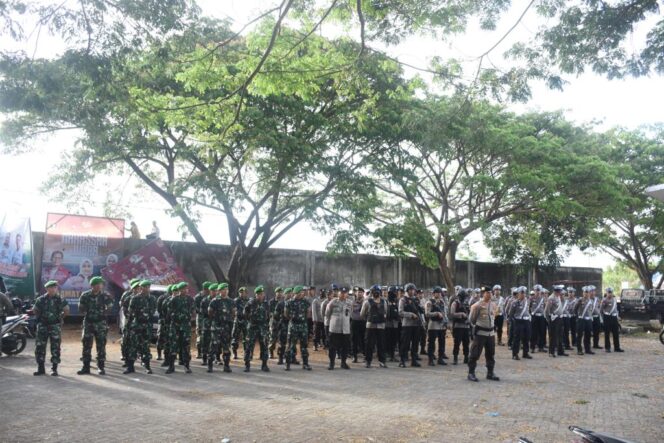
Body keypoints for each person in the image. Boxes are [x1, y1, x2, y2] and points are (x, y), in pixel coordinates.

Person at [77, 276, 114, 375]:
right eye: (97, 284)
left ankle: (101, 367)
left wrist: (102, 313)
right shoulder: (85, 295)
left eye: (101, 284)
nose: (99, 286)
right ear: (92, 285)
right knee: (86, 345)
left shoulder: (105, 295)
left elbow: (110, 307)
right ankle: (86, 367)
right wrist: (86, 310)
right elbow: (80, 308)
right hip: (89, 323)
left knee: (101, 345)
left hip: (101, 323)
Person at [32, 280, 69, 376]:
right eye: (51, 287)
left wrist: (60, 318)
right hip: (42, 326)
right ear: (47, 289)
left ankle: (54, 369)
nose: (53, 289)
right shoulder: (41, 299)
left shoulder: (60, 299)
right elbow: (35, 310)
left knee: (55, 347)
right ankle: (41, 368)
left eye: (55, 287)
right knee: (40, 347)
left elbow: (66, 310)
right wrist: (40, 318)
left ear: (56, 288)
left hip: (54, 326)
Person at [467, 286, 500, 382]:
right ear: (483, 294)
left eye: (490, 292)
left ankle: (490, 373)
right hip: (481, 333)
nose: (489, 294)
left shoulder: (493, 305)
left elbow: (495, 316)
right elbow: (471, 320)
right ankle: (471, 373)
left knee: (490, 354)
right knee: (475, 354)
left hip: (491, 333)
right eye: (487, 292)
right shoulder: (477, 305)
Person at [125, 280, 156, 374]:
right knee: (133, 346)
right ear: (141, 288)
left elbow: (153, 310)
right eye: (145, 287)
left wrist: (145, 315)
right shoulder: (135, 298)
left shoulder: (152, 299)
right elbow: (130, 312)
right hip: (136, 324)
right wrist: (129, 325)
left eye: (148, 287)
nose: (147, 289)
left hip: (146, 325)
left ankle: (147, 366)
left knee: (145, 346)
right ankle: (130, 367)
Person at [165, 281, 194, 374]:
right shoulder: (174, 300)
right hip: (175, 327)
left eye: (186, 288)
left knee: (186, 347)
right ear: (180, 290)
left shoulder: (190, 299)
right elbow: (168, 314)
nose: (186, 290)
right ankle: (171, 366)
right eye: (184, 289)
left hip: (185, 327)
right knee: (173, 347)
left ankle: (186, 366)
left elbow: (193, 311)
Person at [207, 283, 235, 373]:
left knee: (226, 346)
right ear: (219, 291)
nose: (225, 291)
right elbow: (210, 312)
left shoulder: (231, 301)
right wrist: (216, 320)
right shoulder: (215, 301)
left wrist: (228, 320)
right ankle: (210, 365)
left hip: (226, 327)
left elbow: (233, 312)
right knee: (214, 346)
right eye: (223, 289)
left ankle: (226, 365)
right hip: (216, 327)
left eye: (226, 289)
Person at [242, 285, 270, 372]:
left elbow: (268, 315)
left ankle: (264, 365)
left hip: (262, 327)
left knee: (264, 346)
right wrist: (250, 320)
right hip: (252, 327)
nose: (261, 296)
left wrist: (265, 324)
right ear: (256, 295)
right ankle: (247, 365)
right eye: (259, 294)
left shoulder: (266, 303)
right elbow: (245, 313)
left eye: (262, 294)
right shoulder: (251, 303)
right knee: (249, 346)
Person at [284, 285, 311, 370]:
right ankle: (287, 364)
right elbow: (286, 314)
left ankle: (305, 364)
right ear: (296, 293)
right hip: (293, 325)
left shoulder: (305, 302)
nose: (302, 293)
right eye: (301, 292)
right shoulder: (289, 302)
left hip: (303, 325)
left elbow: (308, 313)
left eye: (302, 292)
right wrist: (293, 319)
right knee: (290, 345)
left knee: (304, 345)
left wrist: (303, 319)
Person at [361, 284, 388, 368]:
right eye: (374, 292)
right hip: (370, 326)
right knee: (369, 344)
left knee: (381, 344)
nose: (376, 293)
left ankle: (382, 361)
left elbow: (386, 313)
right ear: (371, 292)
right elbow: (362, 314)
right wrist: (369, 319)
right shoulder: (367, 302)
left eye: (377, 292)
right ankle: (368, 361)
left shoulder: (384, 302)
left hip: (381, 326)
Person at [325, 286, 351, 370]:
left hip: (345, 329)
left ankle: (343, 363)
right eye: (341, 293)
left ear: (347, 294)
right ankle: (331, 363)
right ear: (338, 293)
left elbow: (350, 314)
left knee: (345, 347)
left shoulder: (349, 303)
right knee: (332, 347)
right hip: (334, 328)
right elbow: (327, 313)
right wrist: (329, 324)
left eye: (345, 293)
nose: (343, 295)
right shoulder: (333, 302)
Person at [398, 283, 421, 368]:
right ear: (407, 291)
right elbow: (400, 312)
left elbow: (420, 310)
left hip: (416, 324)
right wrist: (410, 314)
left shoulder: (416, 300)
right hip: (407, 325)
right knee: (405, 344)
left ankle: (414, 360)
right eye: (410, 290)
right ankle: (402, 360)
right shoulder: (403, 300)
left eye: (413, 290)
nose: (412, 291)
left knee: (415, 343)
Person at [507, 286, 532, 360]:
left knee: (527, 337)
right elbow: (511, 313)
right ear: (518, 294)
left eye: (524, 293)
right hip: (518, 321)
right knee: (517, 338)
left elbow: (529, 309)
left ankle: (525, 353)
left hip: (526, 321)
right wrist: (512, 322)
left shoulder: (528, 301)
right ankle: (515, 354)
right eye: (521, 293)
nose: (523, 294)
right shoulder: (515, 302)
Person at [544, 285, 568, 358]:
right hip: (554, 319)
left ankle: (560, 351)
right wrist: (549, 319)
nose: (560, 292)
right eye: (559, 291)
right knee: (553, 336)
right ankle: (551, 352)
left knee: (560, 336)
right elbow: (546, 311)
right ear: (556, 291)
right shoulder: (551, 298)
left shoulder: (558, 297)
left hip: (560, 318)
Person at [425, 286, 447, 366]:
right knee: (431, 343)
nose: (439, 294)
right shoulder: (429, 302)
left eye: (440, 293)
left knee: (442, 342)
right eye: (437, 293)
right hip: (433, 325)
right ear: (434, 294)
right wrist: (437, 313)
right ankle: (430, 359)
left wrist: (445, 321)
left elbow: (444, 313)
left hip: (441, 325)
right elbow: (427, 314)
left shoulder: (442, 302)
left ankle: (440, 358)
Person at [120, 278, 140, 364]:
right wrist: (128, 316)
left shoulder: (140, 295)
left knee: (138, 337)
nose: (138, 288)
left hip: (137, 320)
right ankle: (124, 354)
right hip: (127, 319)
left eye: (138, 286)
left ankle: (137, 354)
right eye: (135, 286)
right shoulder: (127, 295)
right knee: (126, 337)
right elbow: (122, 305)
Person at [450, 289, 471, 365]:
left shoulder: (466, 304)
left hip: (466, 326)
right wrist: (461, 314)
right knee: (457, 343)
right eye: (464, 296)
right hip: (458, 326)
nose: (465, 298)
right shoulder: (455, 303)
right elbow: (452, 314)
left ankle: (466, 357)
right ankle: (455, 358)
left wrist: (468, 318)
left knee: (466, 343)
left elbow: (470, 313)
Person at [601, 287, 623, 353]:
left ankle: (617, 347)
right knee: (607, 333)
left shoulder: (615, 299)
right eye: (608, 293)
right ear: (606, 293)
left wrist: (618, 316)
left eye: (611, 293)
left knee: (616, 333)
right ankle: (607, 347)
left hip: (614, 317)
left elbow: (616, 309)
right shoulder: (604, 300)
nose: (610, 294)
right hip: (607, 317)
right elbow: (601, 310)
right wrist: (602, 318)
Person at [574, 286, 595, 356]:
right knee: (579, 335)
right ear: (583, 293)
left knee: (588, 335)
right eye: (585, 292)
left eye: (588, 292)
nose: (586, 294)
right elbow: (575, 309)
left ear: (589, 293)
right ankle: (579, 350)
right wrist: (577, 317)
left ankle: (587, 349)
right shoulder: (580, 300)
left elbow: (591, 310)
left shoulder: (591, 301)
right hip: (581, 319)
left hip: (588, 320)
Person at [194, 282, 211, 359]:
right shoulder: (198, 297)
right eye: (208, 289)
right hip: (200, 318)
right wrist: (203, 311)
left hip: (209, 318)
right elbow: (195, 308)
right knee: (200, 335)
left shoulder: (211, 297)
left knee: (209, 335)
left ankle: (207, 352)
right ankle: (199, 352)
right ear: (205, 289)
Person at [231, 287, 250, 360]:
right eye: (241, 292)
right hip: (237, 321)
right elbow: (233, 310)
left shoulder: (249, 301)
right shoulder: (236, 301)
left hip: (246, 321)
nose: (242, 294)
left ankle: (246, 353)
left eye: (244, 292)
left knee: (247, 338)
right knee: (235, 337)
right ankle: (234, 352)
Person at [155, 284, 173, 362]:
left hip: (166, 321)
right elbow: (159, 310)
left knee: (163, 338)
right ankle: (160, 355)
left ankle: (163, 355)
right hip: (164, 321)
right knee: (162, 338)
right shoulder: (162, 298)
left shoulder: (173, 298)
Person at [529, 284, 547, 353]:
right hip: (534, 316)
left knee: (542, 332)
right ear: (534, 290)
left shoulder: (543, 299)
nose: (537, 292)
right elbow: (528, 307)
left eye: (539, 290)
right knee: (533, 332)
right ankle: (532, 347)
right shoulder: (531, 298)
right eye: (536, 290)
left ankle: (541, 347)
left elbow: (545, 307)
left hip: (541, 317)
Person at [385, 286, 400, 362]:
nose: (394, 294)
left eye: (395, 292)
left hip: (395, 324)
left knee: (394, 340)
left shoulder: (397, 301)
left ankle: (392, 355)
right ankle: (388, 354)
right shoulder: (385, 301)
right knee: (387, 340)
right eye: (392, 292)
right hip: (387, 324)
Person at [350, 287, 365, 363]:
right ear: (355, 293)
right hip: (354, 322)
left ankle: (365, 355)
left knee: (364, 339)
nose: (359, 293)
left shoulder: (366, 301)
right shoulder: (352, 302)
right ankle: (354, 356)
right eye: (358, 292)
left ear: (363, 293)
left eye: (361, 292)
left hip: (363, 322)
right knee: (354, 339)